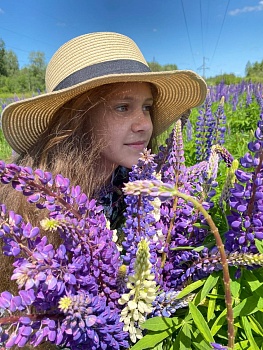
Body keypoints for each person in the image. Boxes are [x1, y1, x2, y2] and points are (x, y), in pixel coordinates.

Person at [0, 32, 207, 312]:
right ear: (78, 117)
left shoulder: (143, 186)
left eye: (147, 107)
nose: (144, 124)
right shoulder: (34, 205)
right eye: (123, 107)